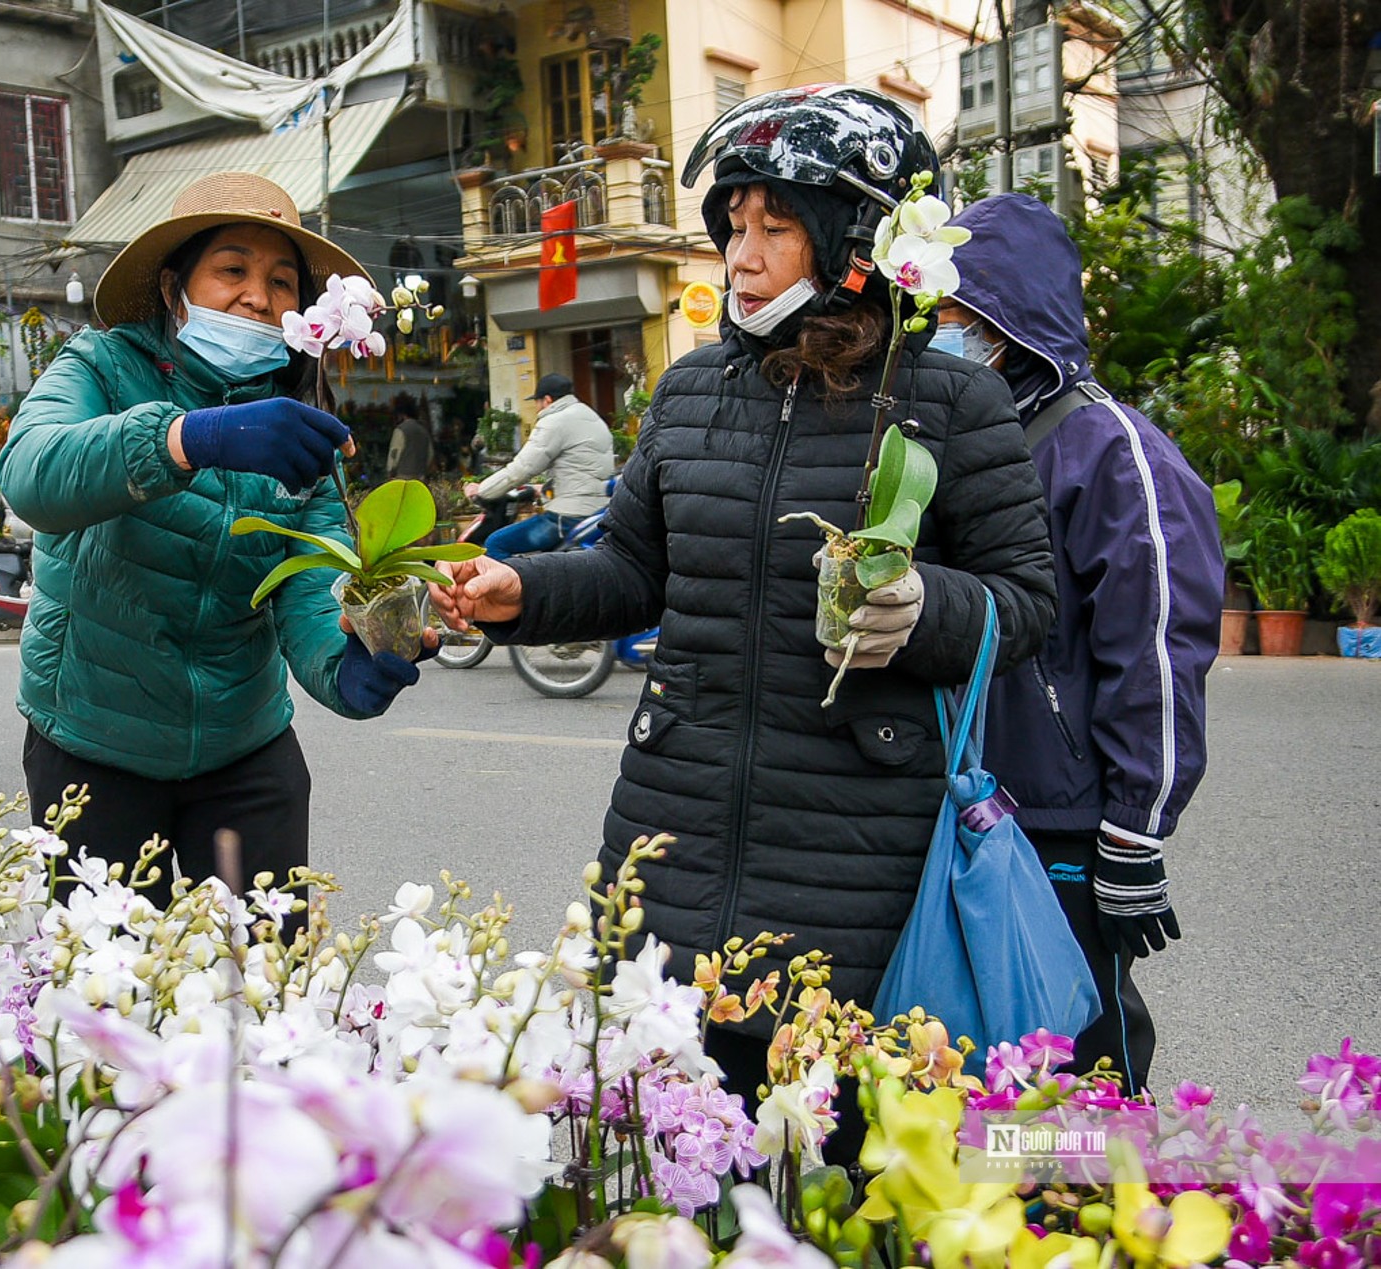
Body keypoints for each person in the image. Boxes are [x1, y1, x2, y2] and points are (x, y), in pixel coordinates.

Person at [432, 85, 1057, 1104]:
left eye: (776, 228)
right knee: (666, 1132)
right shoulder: (689, 393)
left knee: (830, 1147)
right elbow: (632, 571)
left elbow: (1026, 602)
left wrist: (919, 606)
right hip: (671, 823)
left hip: (857, 848)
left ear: (854, 238)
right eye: (733, 225)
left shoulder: (949, 399)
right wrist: (521, 592)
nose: (742, 255)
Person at [0, 171, 429, 902]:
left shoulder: (295, 423)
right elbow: (30, 474)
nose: (257, 297)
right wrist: (189, 437)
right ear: (174, 286)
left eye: (281, 281)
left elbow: (307, 581)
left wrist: (350, 661)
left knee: (262, 980)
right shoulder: (101, 367)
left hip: (243, 746)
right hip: (95, 741)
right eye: (232, 269)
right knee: (111, 993)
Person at [942, 193, 1224, 1092]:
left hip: (1062, 817)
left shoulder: (1110, 452)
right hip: (962, 800)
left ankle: (1092, 1222)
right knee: (967, 1053)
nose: (945, 336)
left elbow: (1158, 655)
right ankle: (995, 1220)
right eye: (939, 317)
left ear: (1013, 322)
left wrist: (1135, 835)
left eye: (962, 318)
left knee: (1076, 1062)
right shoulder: (969, 439)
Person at [462, 372, 614, 559]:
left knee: (496, 543)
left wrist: (482, 490)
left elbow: (522, 469)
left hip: (567, 516)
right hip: (597, 511)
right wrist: (542, 489)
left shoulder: (555, 421)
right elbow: (580, 467)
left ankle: (513, 588)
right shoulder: (591, 417)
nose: (536, 407)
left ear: (547, 400)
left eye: (537, 402)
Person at [385, 393, 432, 480]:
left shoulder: (400, 430)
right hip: (420, 476)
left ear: (400, 413)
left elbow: (394, 453)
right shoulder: (424, 430)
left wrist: (390, 471)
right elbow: (430, 454)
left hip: (402, 476)